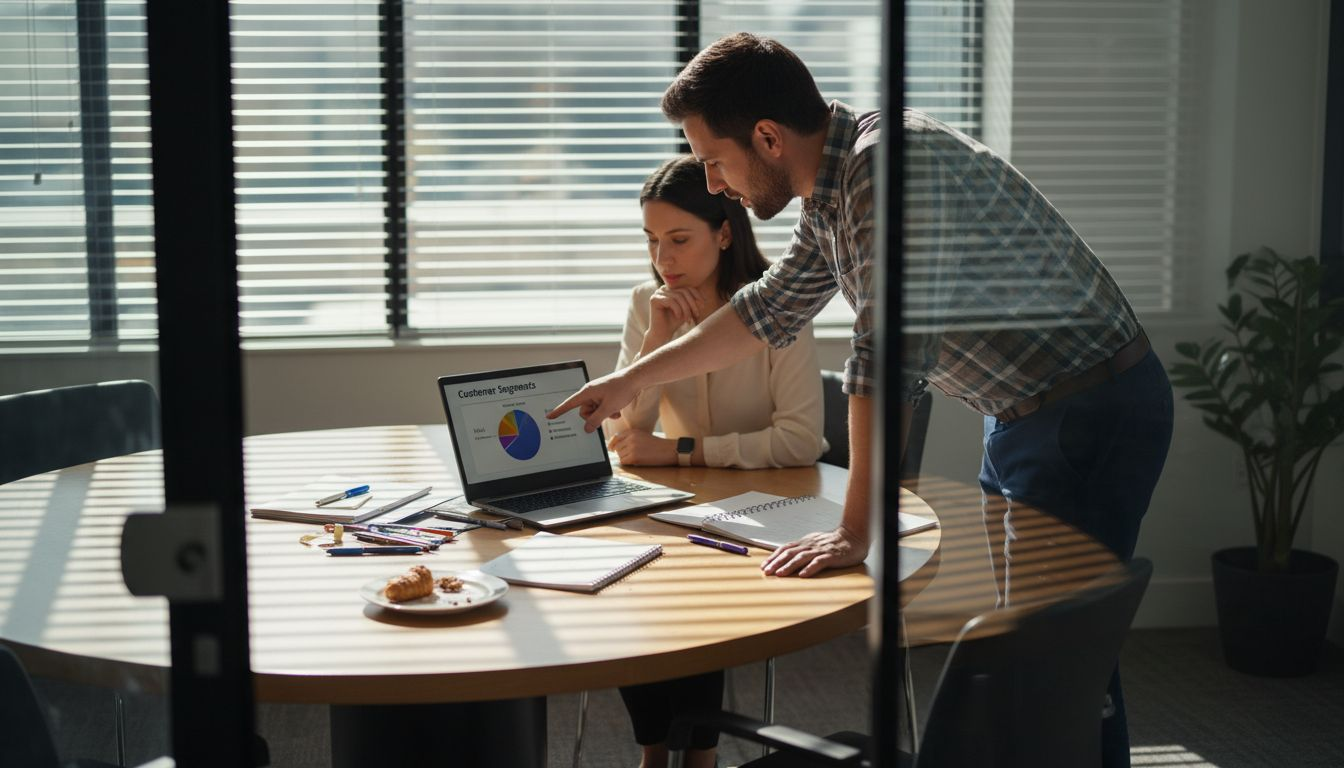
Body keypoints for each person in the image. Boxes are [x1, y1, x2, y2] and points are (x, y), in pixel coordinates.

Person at [550, 33, 1172, 768]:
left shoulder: (886, 169)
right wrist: (633, 379)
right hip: (1024, 413)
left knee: (1056, 661)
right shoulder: (834, 187)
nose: (714, 185)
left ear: (768, 138)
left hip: (1088, 411)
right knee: (1050, 657)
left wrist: (854, 534)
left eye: (714, 161)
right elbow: (765, 310)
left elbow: (884, 364)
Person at [610, 154, 826, 768]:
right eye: (652, 241)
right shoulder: (646, 302)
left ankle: (698, 758)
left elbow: (801, 440)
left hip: (762, 513)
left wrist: (680, 452)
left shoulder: (776, 306)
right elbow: (627, 434)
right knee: (633, 577)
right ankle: (655, 752)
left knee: (696, 592)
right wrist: (653, 346)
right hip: (674, 509)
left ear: (724, 233)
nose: (663, 260)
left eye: (679, 240)